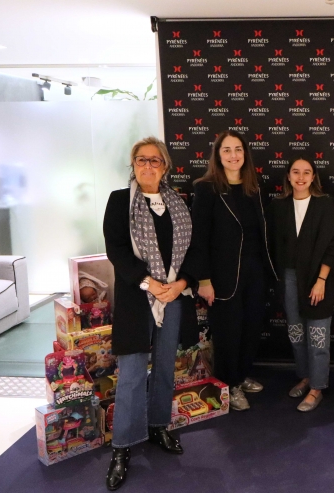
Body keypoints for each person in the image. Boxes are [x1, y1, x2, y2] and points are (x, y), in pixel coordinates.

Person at [102, 136, 194, 491]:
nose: (148, 166)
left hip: (173, 296)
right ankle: (122, 446)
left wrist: (180, 282)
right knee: (132, 373)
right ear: (133, 164)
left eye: (155, 161)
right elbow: (117, 250)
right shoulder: (119, 201)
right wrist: (148, 282)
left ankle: (158, 426)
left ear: (166, 167)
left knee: (166, 366)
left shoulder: (179, 203)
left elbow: (193, 249)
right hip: (137, 297)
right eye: (141, 160)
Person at [185, 130, 276, 411]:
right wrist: (203, 279)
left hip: (255, 272)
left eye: (238, 149)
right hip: (222, 277)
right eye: (227, 150)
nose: (233, 155)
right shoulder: (206, 188)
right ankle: (228, 384)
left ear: (245, 154)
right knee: (227, 333)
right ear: (218, 155)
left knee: (250, 330)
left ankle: (240, 376)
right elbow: (198, 238)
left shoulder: (255, 187)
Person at [268, 157, 334, 412]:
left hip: (318, 277)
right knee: (296, 333)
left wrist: (321, 280)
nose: (301, 177)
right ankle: (306, 376)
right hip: (289, 278)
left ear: (314, 177)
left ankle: (317, 387)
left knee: (318, 336)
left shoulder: (324, 205)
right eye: (295, 172)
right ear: (288, 176)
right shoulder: (278, 207)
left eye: (306, 172)